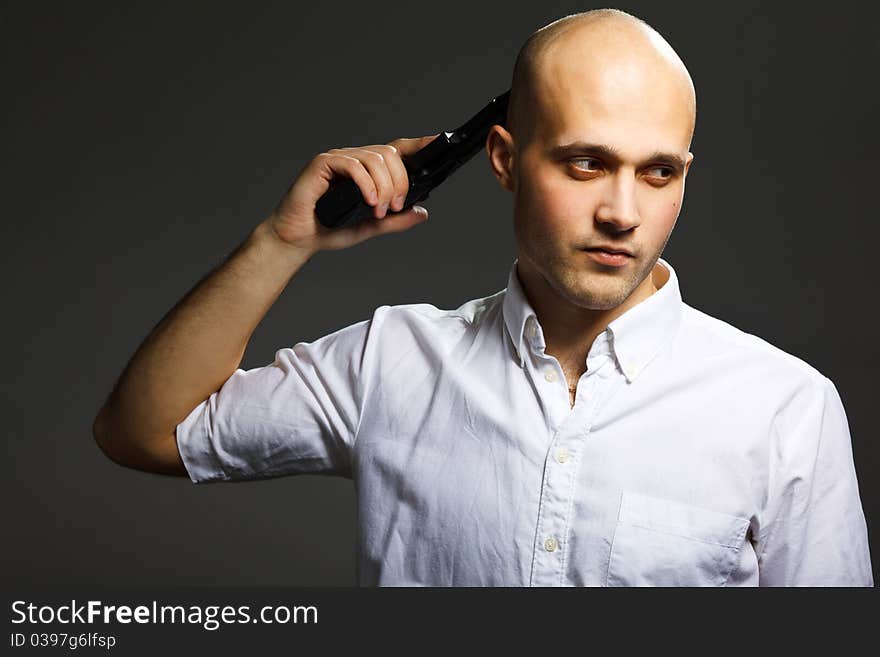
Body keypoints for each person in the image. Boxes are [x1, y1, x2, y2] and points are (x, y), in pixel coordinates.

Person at [93, 8, 873, 586]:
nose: (623, 212)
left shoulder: (786, 409)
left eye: (658, 172)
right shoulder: (388, 364)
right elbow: (143, 432)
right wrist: (280, 241)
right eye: (585, 163)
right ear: (503, 159)